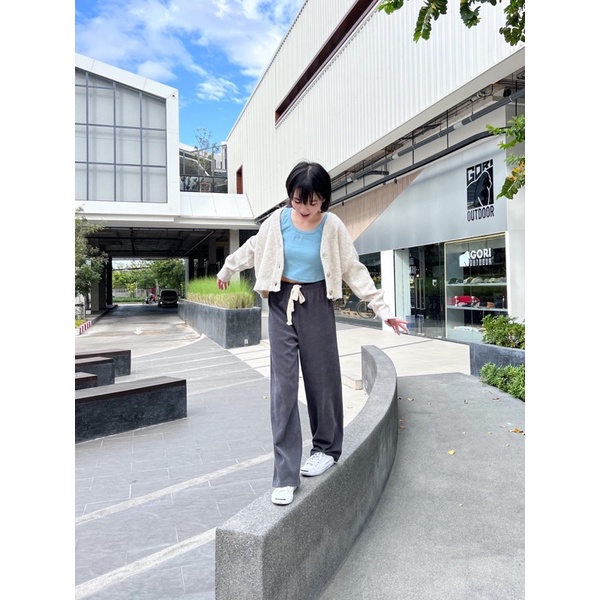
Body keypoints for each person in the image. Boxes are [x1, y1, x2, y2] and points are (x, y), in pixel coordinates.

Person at [217, 161, 408, 506]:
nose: (304, 209)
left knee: (323, 380)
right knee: (283, 387)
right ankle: (285, 475)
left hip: (317, 301)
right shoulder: (276, 222)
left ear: (324, 199)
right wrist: (227, 269)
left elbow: (353, 269)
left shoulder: (332, 226)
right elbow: (253, 249)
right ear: (290, 196)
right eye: (297, 201)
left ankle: (326, 450)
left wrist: (383, 310)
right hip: (281, 303)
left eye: (312, 202)